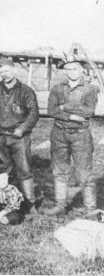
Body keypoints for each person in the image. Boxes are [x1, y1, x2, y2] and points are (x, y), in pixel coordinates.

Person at [42, 54, 100, 216]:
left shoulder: (90, 88)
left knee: (84, 173)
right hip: (59, 134)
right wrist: (71, 115)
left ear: (82, 70)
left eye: (74, 68)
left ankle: (90, 209)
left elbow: (88, 111)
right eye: (68, 69)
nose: (71, 72)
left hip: (80, 136)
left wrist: (63, 107)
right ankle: (61, 205)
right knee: (59, 170)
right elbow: (51, 110)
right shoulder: (58, 88)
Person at [0, 57, 40, 208]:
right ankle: (5, 200)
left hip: (19, 138)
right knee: (2, 169)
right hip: (0, 137)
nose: (5, 74)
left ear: (14, 71)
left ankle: (30, 204)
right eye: (1, 72)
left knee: (24, 169)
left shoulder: (26, 91)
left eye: (7, 71)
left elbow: (34, 113)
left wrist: (22, 129)